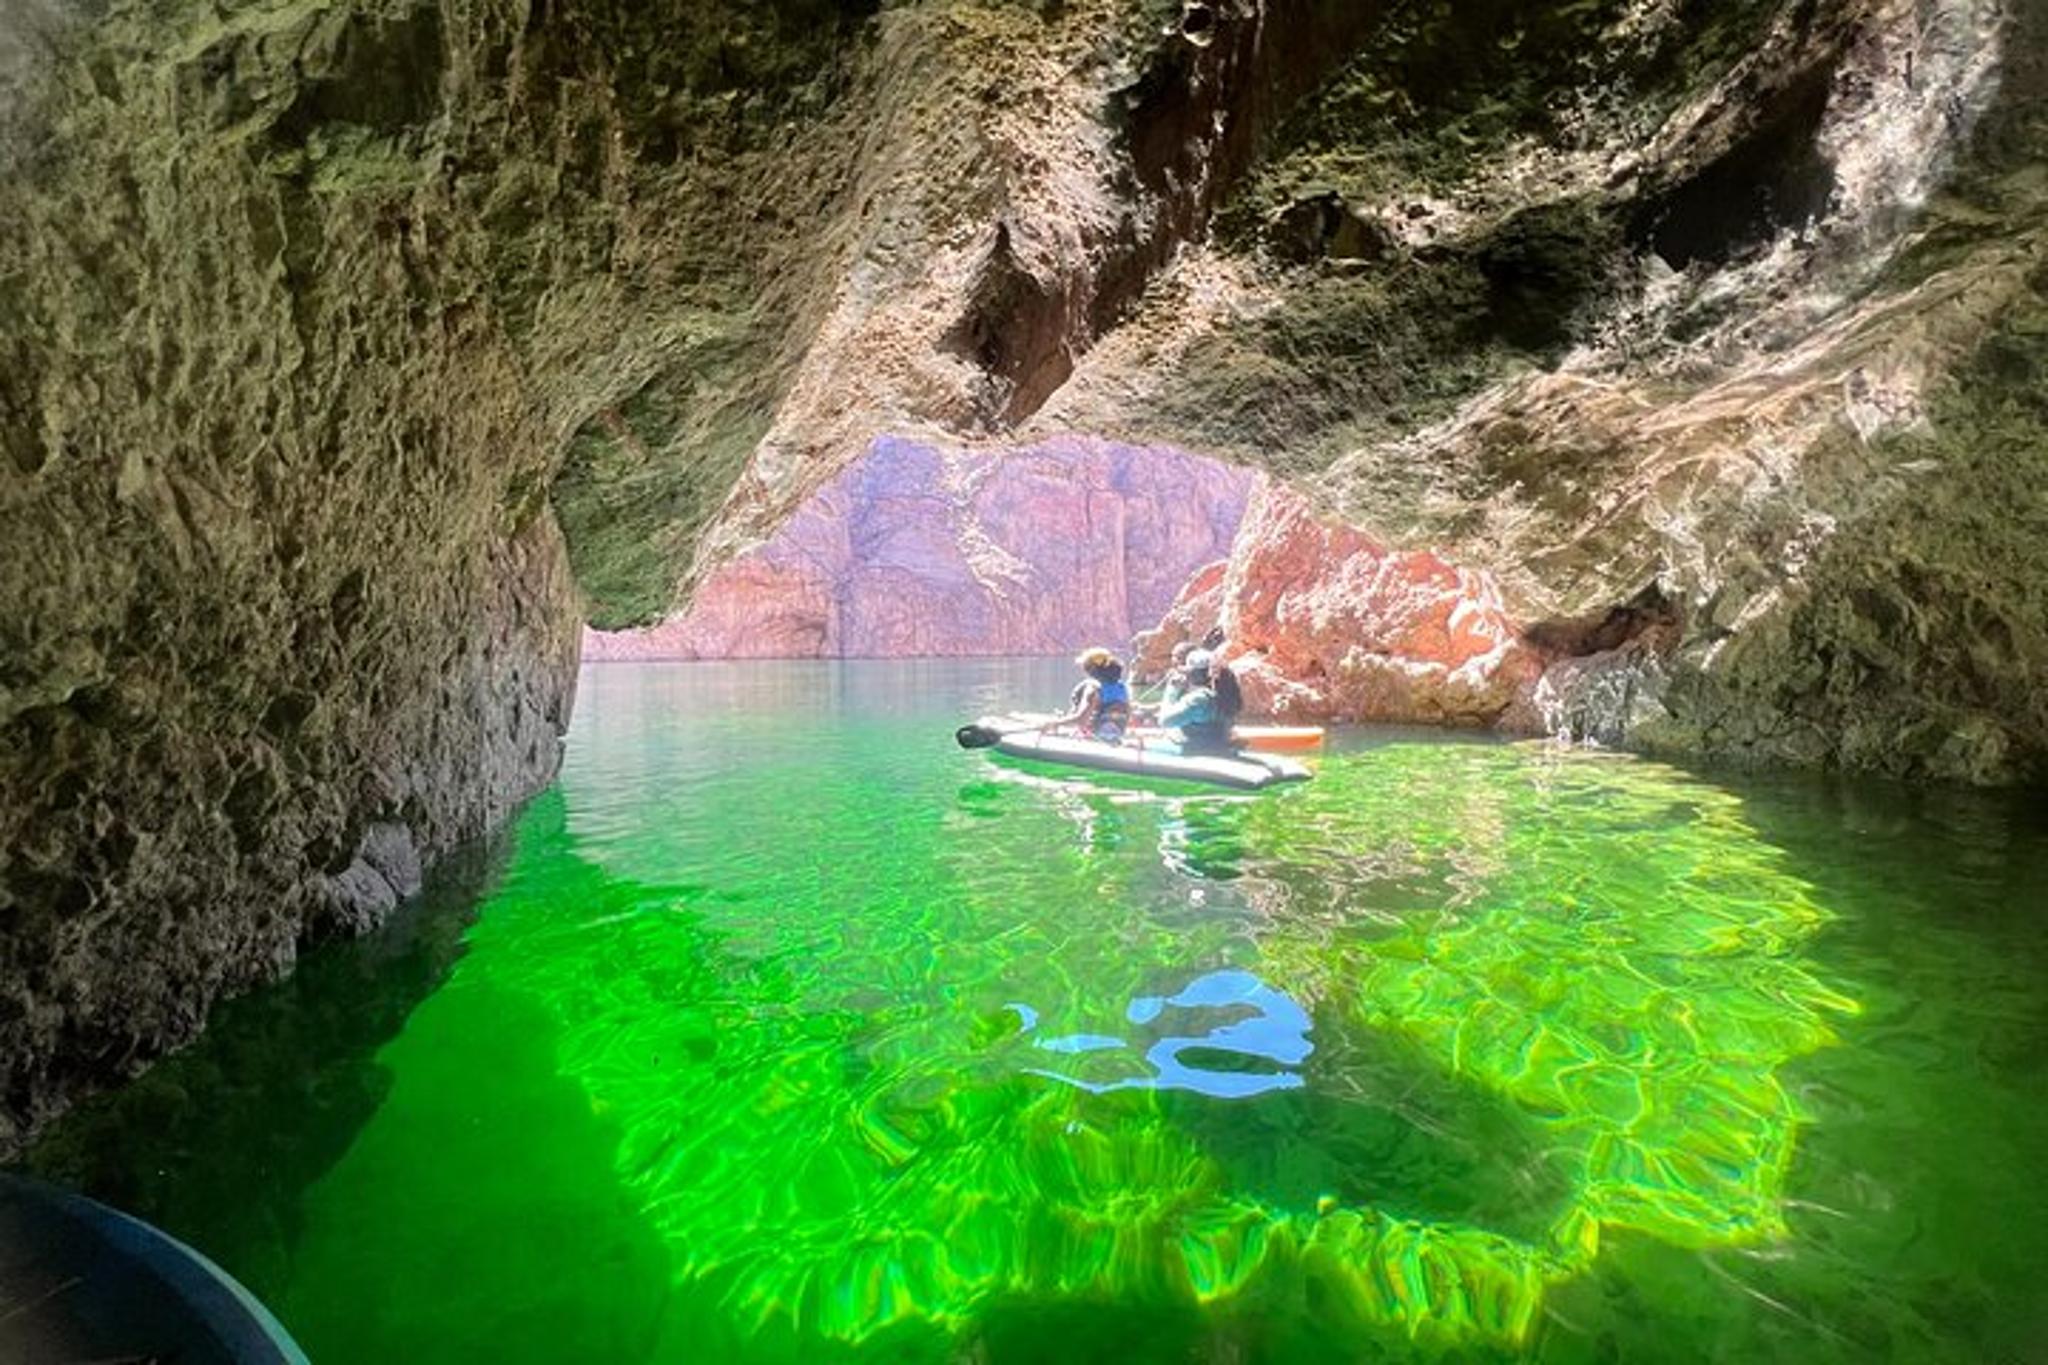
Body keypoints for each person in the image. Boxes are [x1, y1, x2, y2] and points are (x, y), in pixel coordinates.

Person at [1153, 649, 1235, 754]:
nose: (1185, 676)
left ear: (1196, 675)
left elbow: (1165, 721)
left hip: (1199, 752)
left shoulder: (1199, 699)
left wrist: (1172, 690)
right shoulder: (1222, 693)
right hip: (1216, 746)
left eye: (1188, 673)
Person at [1053, 647, 1132, 743]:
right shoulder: (1122, 687)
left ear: (1091, 669)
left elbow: (1081, 719)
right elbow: (1128, 714)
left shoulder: (1093, 687)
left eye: (1084, 667)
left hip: (1093, 738)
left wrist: (1051, 724)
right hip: (1117, 737)